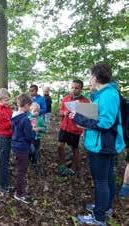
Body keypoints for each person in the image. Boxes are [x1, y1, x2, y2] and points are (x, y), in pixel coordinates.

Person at [69, 63, 125, 225]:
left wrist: (79, 118)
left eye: (90, 75)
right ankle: (105, 207)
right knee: (107, 177)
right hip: (101, 142)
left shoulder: (108, 95)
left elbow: (105, 123)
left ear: (96, 77)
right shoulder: (104, 94)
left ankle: (99, 217)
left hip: (102, 144)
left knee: (101, 180)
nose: (89, 79)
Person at [57, 80, 89, 177]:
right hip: (64, 127)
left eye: (76, 88)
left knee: (74, 149)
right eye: (72, 87)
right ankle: (62, 165)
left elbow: (87, 117)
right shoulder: (66, 98)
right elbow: (60, 111)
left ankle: (74, 168)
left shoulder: (85, 101)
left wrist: (78, 114)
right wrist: (64, 112)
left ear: (81, 89)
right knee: (60, 146)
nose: (74, 90)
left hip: (75, 129)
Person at [11, 93, 34, 204]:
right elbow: (29, 136)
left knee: (19, 168)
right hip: (22, 147)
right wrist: (33, 131)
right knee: (22, 171)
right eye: (29, 106)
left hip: (15, 145)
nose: (30, 108)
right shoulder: (25, 119)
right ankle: (19, 193)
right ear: (26, 105)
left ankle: (18, 189)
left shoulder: (14, 115)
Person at [0, 88, 13, 194]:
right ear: (0, 100)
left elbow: (11, 116)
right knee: (4, 161)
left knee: (2, 160)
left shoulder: (7, 108)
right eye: (6, 100)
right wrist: (10, 123)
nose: (8, 101)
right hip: (3, 138)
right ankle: (4, 186)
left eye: (8, 99)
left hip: (8, 136)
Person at [28, 102, 46, 175]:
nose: (36, 113)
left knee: (36, 151)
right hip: (30, 138)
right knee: (30, 150)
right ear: (30, 111)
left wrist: (39, 128)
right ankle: (28, 160)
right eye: (34, 111)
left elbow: (45, 128)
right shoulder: (28, 118)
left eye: (38, 111)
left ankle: (35, 163)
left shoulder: (40, 119)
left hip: (37, 138)